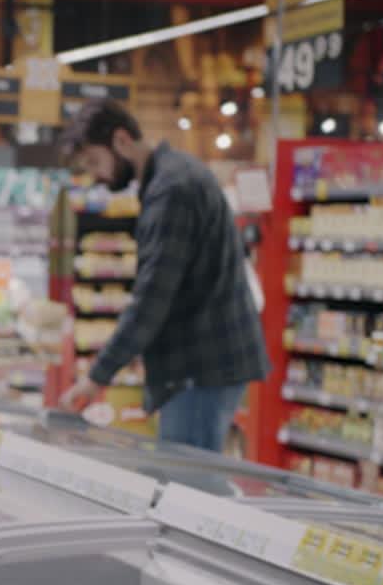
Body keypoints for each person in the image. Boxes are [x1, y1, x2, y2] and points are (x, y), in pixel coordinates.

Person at [56, 100, 269, 452]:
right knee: (188, 482)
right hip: (201, 364)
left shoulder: (171, 190)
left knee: (188, 486)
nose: (95, 176)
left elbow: (151, 299)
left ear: (122, 141)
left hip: (200, 368)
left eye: (94, 162)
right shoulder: (172, 177)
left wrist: (96, 377)